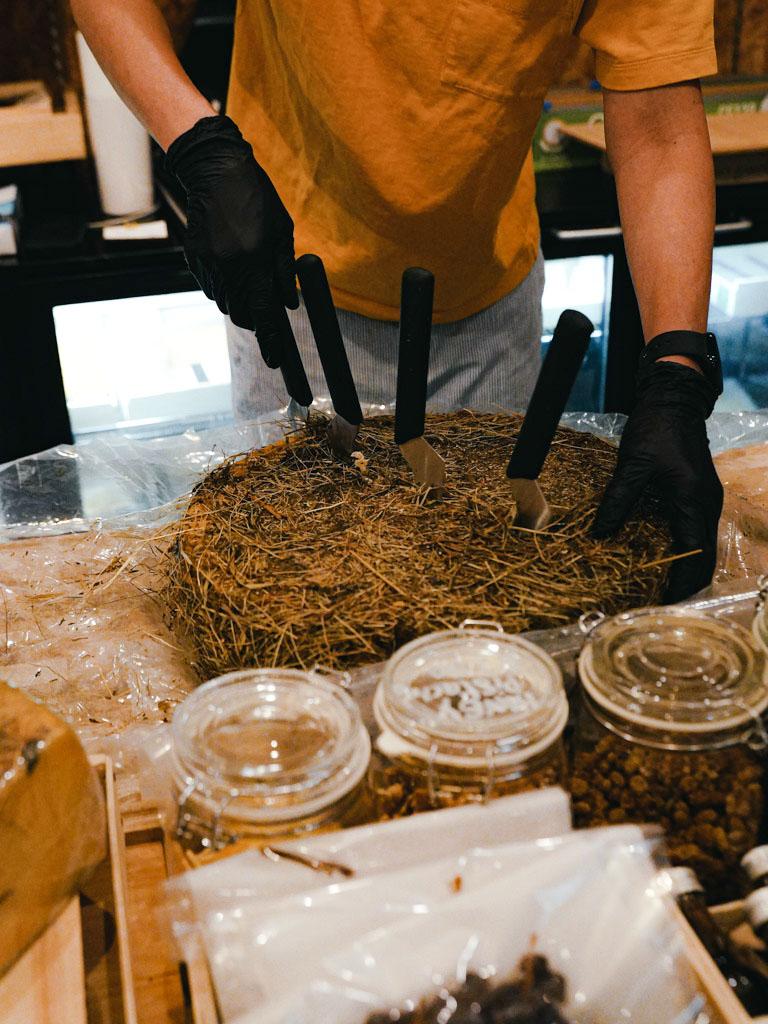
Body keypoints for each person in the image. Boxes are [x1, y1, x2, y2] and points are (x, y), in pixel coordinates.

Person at [70, 0, 724, 602]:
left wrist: (676, 370)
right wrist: (195, 143)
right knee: (303, 596)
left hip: (488, 295)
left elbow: (660, 119)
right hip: (294, 286)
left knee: (482, 593)